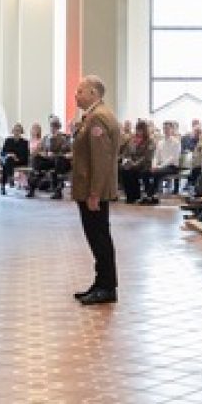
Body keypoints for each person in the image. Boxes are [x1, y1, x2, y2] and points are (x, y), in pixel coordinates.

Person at [71, 75, 123, 306]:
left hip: (93, 190)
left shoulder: (98, 117)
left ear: (93, 93)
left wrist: (94, 193)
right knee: (97, 236)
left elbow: (100, 159)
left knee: (99, 237)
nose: (76, 95)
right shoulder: (94, 115)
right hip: (92, 188)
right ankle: (101, 282)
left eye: (80, 91)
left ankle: (106, 287)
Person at [0, 122, 29, 195]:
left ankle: (7, 181)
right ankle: (10, 178)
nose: (16, 132)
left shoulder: (25, 142)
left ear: (21, 132)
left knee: (6, 164)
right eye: (15, 130)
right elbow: (2, 153)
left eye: (18, 130)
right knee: (8, 160)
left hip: (19, 161)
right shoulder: (8, 140)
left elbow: (25, 155)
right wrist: (9, 155)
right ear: (13, 131)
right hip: (9, 160)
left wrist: (17, 158)